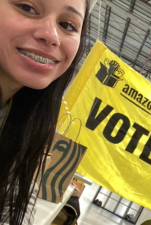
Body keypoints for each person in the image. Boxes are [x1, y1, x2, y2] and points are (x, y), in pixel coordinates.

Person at [0, 0, 90, 224]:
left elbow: (18, 195)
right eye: (27, 7)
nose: (51, 35)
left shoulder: (23, 118)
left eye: (68, 25)